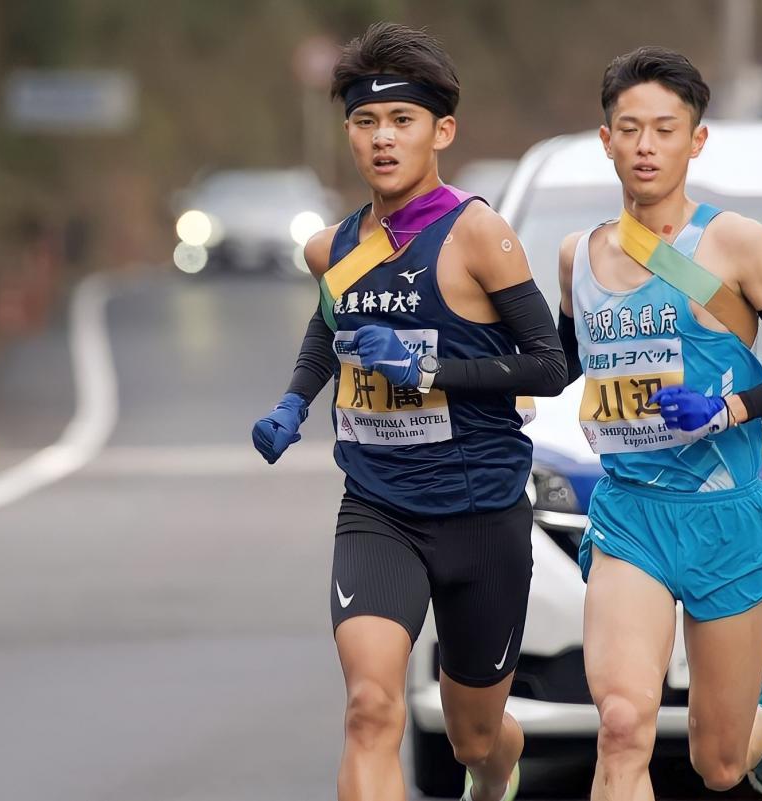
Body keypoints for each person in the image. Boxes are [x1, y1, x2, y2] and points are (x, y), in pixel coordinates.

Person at [251, 22, 569, 801]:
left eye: (402, 121)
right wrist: (296, 399)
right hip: (379, 509)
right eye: (365, 122)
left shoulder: (479, 236)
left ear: (441, 131)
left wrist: (428, 368)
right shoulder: (333, 248)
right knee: (370, 709)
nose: (382, 139)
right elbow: (331, 323)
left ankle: (496, 775)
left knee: (474, 734)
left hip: (482, 512)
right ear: (349, 134)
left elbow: (550, 366)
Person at [555, 47, 762, 800]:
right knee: (620, 723)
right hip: (631, 516)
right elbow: (556, 368)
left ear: (695, 140)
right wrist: (439, 368)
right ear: (606, 139)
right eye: (630, 128)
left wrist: (727, 407)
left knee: (718, 762)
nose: (646, 146)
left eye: (665, 130)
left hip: (724, 520)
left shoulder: (736, 243)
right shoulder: (577, 255)